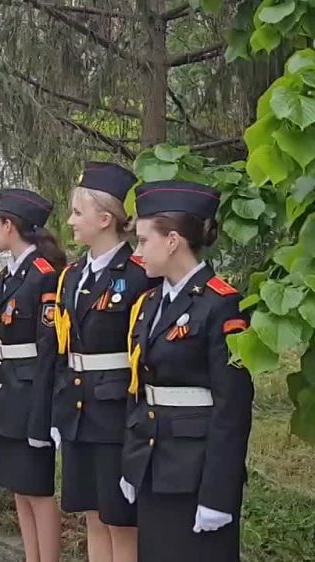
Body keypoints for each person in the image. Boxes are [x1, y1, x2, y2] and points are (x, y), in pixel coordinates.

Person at [120, 180, 254, 562]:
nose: (137, 252)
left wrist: (218, 495)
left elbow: (232, 407)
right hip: (153, 465)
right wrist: (132, 464)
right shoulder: (149, 303)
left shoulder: (221, 305)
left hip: (195, 473)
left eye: (143, 241)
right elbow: (140, 388)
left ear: (172, 241)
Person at [50, 163, 157, 562]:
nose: (70, 221)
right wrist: (58, 410)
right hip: (78, 409)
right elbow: (63, 349)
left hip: (115, 414)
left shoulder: (139, 275)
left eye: (78, 213)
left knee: (120, 520)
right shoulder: (72, 275)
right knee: (93, 515)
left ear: (106, 219)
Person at [0, 189, 66, 562]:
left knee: (38, 490)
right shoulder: (7, 276)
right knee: (19, 487)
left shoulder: (43, 276)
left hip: (32, 393)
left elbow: (48, 349)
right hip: (9, 391)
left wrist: (41, 413)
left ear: (10, 225)